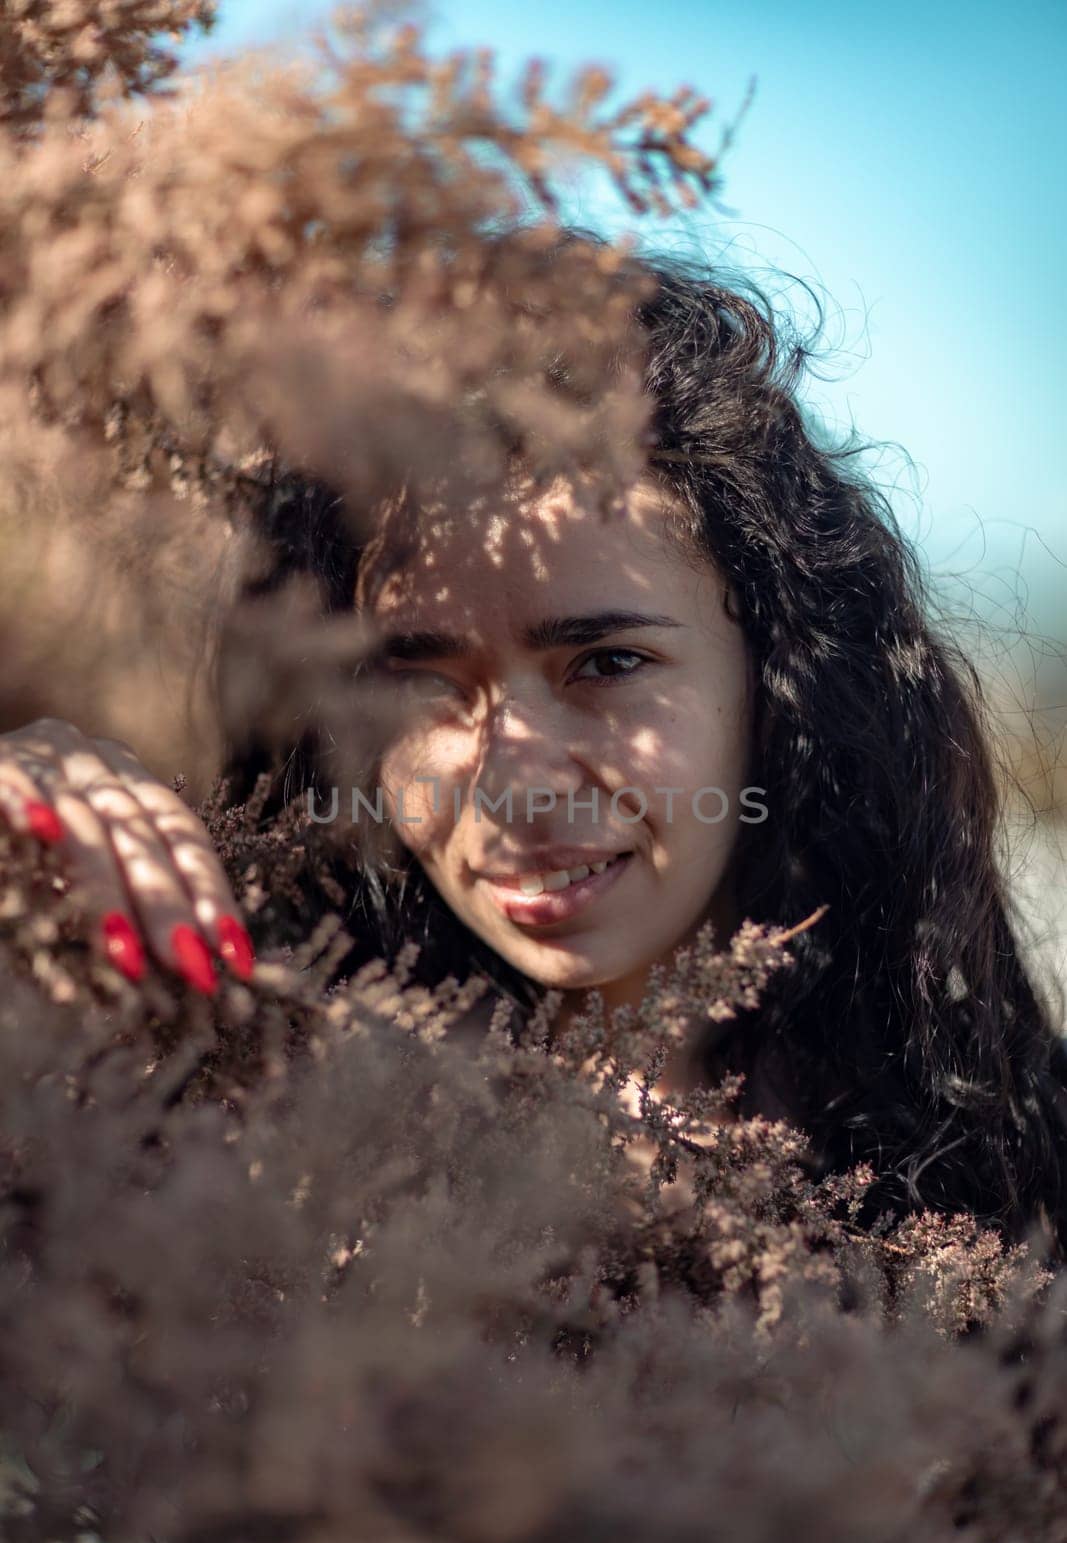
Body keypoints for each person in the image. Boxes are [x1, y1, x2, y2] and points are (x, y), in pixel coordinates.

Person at [2, 233, 1065, 1255]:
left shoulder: (1019, 1174)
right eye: (415, 681)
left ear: (783, 674)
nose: (511, 780)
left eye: (603, 664)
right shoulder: (247, 1119)